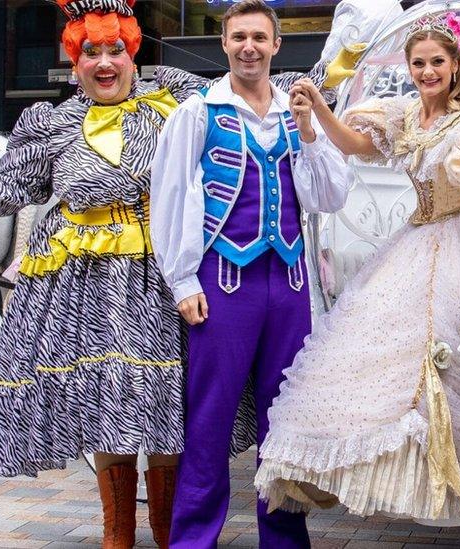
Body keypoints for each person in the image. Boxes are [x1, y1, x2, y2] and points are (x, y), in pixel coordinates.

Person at [0, 1, 360, 548]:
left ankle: (174, 532)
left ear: (134, 54)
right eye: (91, 52)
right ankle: (116, 532)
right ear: (74, 61)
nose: (105, 62)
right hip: (85, 284)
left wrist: (334, 73)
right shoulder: (48, 122)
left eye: (116, 50)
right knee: (106, 403)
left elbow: (262, 77)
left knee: (172, 402)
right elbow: (17, 187)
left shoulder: (172, 98)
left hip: (158, 276)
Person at [253, 14, 460, 526]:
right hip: (414, 243)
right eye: (418, 63)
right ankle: (376, 466)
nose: (426, 71)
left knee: (439, 362)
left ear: (456, 66)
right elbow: (353, 145)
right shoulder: (402, 116)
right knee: (368, 353)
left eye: (437, 61)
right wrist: (323, 112)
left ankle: (446, 474)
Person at [147, 1, 352, 547]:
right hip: (223, 285)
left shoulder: (297, 111)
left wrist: (310, 133)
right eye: (239, 37)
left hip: (288, 286)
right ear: (224, 43)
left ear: (276, 44)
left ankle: (284, 539)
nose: (249, 48)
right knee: (209, 420)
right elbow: (169, 200)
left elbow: (330, 196)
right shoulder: (197, 113)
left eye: (259, 37)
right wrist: (184, 281)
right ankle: (192, 539)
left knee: (282, 422)